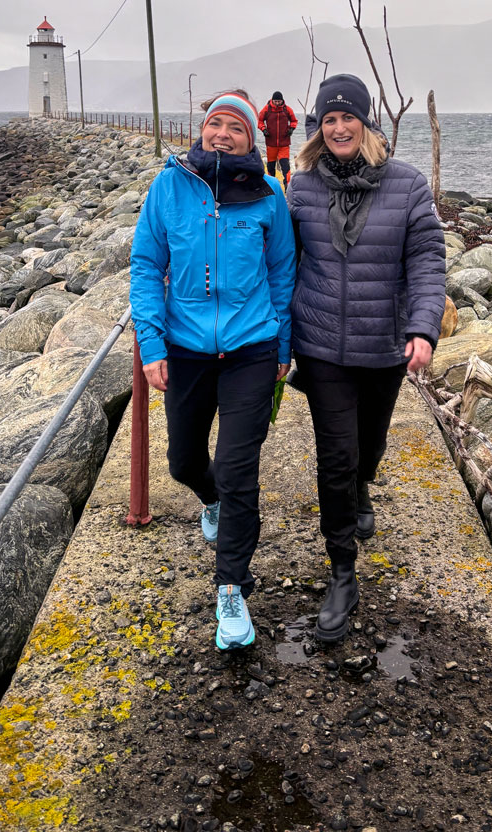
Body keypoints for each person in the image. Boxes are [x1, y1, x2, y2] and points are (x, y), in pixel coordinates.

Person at [130, 89, 296, 650]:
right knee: (182, 462)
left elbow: (282, 276)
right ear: (202, 129)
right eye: (215, 123)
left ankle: (231, 589)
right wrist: (151, 344)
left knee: (237, 465)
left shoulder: (270, 194)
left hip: (251, 347)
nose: (222, 133)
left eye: (236, 127)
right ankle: (212, 502)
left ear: (253, 139)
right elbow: (146, 264)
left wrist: (281, 348)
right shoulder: (169, 186)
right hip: (185, 347)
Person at [287, 73, 446, 643]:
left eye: (347, 117)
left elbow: (428, 261)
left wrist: (423, 328)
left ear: (366, 122)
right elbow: (284, 262)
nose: (337, 128)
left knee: (369, 446)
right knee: (335, 454)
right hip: (322, 342)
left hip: (383, 344)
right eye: (328, 120)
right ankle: (342, 570)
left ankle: (362, 488)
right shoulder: (301, 187)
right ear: (318, 128)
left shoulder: (406, 185)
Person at [257, 90, 298, 184]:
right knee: (271, 167)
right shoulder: (267, 109)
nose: (277, 103)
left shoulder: (287, 109)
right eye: (275, 101)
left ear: (282, 101)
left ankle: (287, 186)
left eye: (279, 101)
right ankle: (271, 185)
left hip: (284, 143)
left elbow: (294, 121)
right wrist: (264, 129)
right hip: (271, 143)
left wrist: (291, 128)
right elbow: (259, 121)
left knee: (285, 166)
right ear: (272, 100)